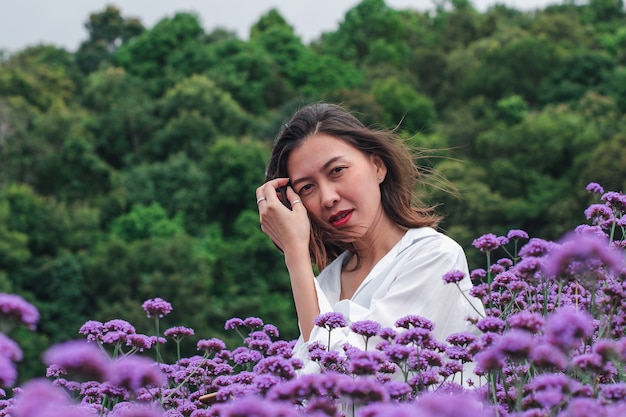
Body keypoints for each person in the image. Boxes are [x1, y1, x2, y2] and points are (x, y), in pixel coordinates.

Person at [255, 102, 484, 380]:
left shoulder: (435, 257)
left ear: (377, 166)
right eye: (307, 188)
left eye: (337, 170)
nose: (328, 197)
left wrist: (296, 254)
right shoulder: (327, 283)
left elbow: (360, 377)